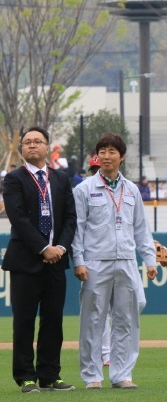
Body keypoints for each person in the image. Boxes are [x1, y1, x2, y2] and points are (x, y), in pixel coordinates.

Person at [72, 133, 158, 389]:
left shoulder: (132, 190)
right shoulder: (84, 189)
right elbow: (77, 228)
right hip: (95, 262)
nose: (106, 156)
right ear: (97, 157)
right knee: (92, 321)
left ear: (122, 156)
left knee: (126, 320)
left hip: (127, 261)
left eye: (112, 151)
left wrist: (150, 259)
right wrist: (78, 260)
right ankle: (92, 376)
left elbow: (141, 228)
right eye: (102, 151)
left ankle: (122, 374)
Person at [1, 126, 77, 393]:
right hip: (25, 261)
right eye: (27, 142)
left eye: (37, 142)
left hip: (57, 261)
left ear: (47, 147)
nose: (32, 146)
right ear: (22, 149)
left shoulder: (60, 179)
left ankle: (50, 375)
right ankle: (26, 377)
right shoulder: (13, 179)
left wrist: (61, 249)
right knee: (24, 321)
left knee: (53, 320)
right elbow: (18, 218)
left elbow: (70, 218)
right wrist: (44, 247)